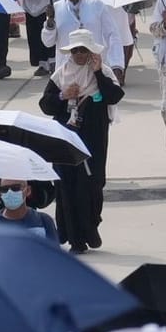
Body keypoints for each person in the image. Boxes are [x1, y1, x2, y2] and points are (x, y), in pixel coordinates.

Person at [42, 29, 125, 255]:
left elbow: (115, 95)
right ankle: (74, 238)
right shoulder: (61, 74)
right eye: (76, 50)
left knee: (92, 186)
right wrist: (63, 95)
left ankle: (91, 227)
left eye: (84, 50)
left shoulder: (103, 72)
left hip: (94, 140)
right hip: (66, 141)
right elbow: (46, 104)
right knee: (67, 188)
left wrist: (97, 73)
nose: (79, 55)